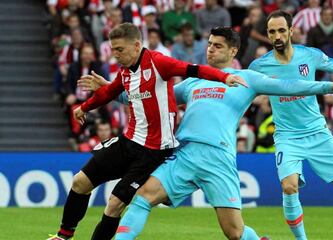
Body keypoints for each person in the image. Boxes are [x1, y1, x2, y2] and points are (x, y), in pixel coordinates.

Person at [79, 27, 333, 240]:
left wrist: (328, 87)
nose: (210, 50)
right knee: (142, 197)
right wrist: (111, 90)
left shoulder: (248, 78)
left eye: (217, 46)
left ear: (233, 52)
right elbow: (147, 97)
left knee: (234, 233)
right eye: (209, 45)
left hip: (218, 158)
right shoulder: (194, 81)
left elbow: (290, 86)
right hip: (186, 153)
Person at [47, 22, 247, 240]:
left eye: (120, 50)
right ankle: (63, 235)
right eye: (113, 49)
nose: (115, 55)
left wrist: (224, 77)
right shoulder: (125, 71)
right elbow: (109, 92)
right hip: (128, 142)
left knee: (114, 205)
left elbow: (193, 70)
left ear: (136, 45)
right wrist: (83, 108)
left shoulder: (158, 62)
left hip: (153, 152)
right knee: (79, 182)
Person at [248, 10, 333, 240]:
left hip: (317, 132)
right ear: (267, 34)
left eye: (282, 30)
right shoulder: (259, 66)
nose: (277, 36)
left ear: (291, 31)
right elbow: (242, 85)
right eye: (272, 31)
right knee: (289, 187)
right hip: (286, 136)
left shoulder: (310, 55)